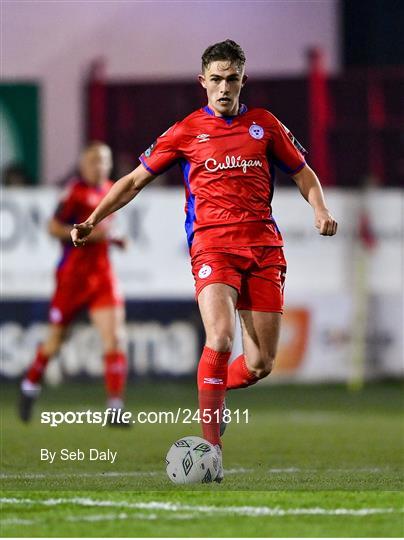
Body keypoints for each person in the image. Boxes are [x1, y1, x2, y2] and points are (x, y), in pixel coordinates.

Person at [71, 40, 338, 481]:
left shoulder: (264, 125)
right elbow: (134, 180)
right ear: (203, 82)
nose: (224, 87)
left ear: (242, 80)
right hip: (212, 246)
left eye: (232, 78)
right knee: (218, 339)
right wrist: (93, 218)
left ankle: (213, 392)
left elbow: (303, 173)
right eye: (215, 79)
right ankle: (210, 448)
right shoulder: (186, 131)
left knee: (260, 364)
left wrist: (321, 209)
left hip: (264, 249)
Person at [19, 142, 129, 425]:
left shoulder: (111, 190)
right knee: (55, 342)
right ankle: (30, 385)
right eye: (94, 160)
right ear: (83, 164)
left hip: (102, 277)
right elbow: (53, 227)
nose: (99, 166)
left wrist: (114, 239)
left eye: (104, 160)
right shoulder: (74, 192)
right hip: (71, 278)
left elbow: (106, 231)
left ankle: (115, 407)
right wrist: (82, 233)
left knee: (115, 338)